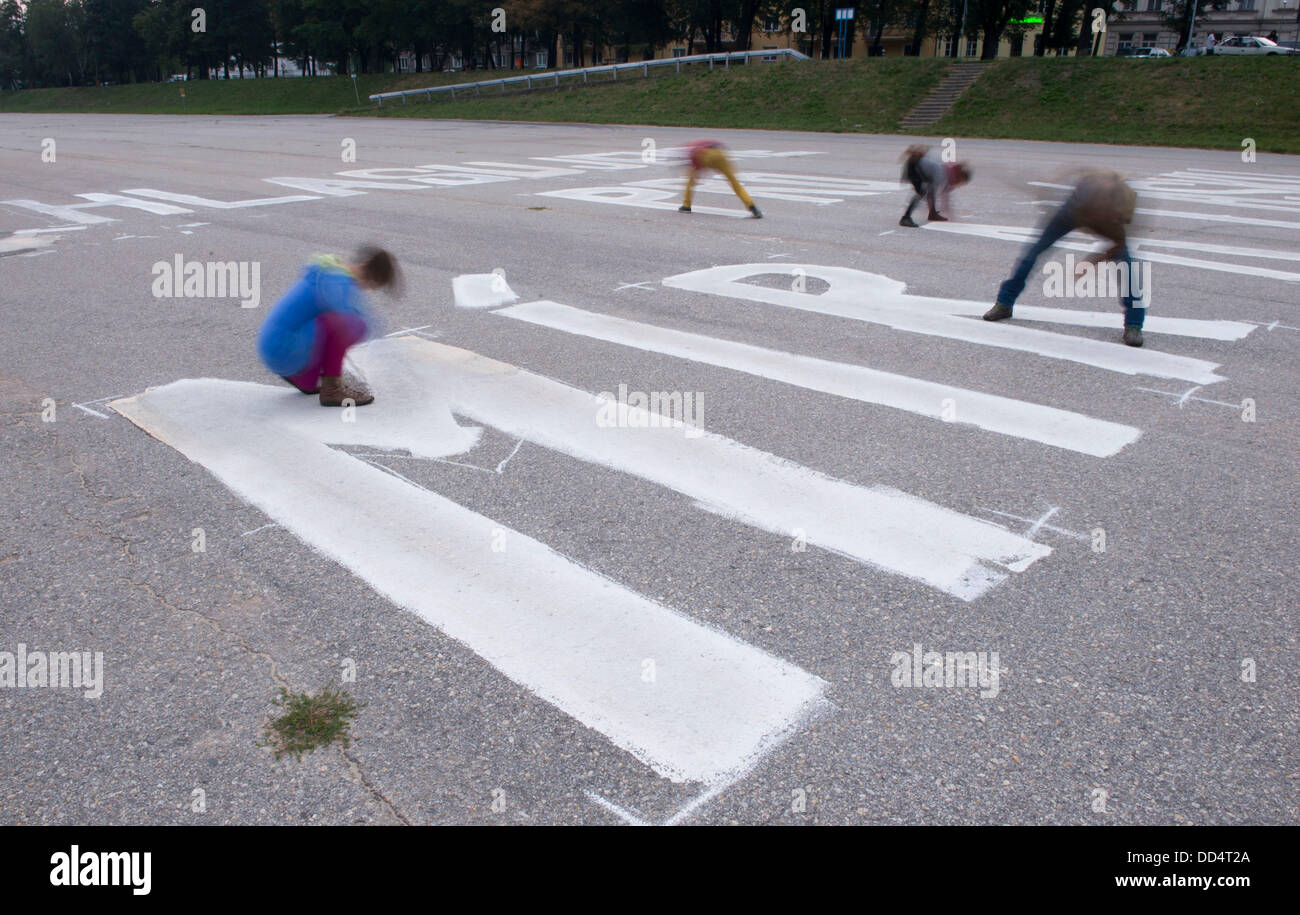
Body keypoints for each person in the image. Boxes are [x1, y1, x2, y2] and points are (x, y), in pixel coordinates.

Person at [982, 171, 1146, 347]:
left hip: (1104, 217)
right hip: (1072, 212)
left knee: (1127, 265)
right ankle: (1004, 303)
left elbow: (1117, 243)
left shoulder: (1122, 207)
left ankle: (1133, 324)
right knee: (1033, 253)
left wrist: (1091, 261)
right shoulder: (1083, 196)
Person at [257, 247, 400, 406]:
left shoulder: (331, 272)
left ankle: (304, 378)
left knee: (341, 322)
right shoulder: (340, 283)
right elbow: (346, 326)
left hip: (273, 347)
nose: (368, 290)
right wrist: (380, 337)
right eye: (373, 286)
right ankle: (332, 390)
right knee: (354, 325)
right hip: (282, 349)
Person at [678, 140, 762, 218]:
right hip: (720, 153)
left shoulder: (689, 151)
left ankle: (686, 205)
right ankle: (752, 207)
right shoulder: (698, 143)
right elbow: (721, 145)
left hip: (704, 155)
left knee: (690, 182)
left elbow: (696, 164)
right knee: (734, 182)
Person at [898, 144, 972, 228]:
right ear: (959, 176)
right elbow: (932, 194)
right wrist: (947, 211)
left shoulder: (948, 174)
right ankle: (905, 218)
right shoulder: (942, 176)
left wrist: (946, 209)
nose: (959, 185)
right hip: (914, 167)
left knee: (925, 191)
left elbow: (944, 194)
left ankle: (932, 214)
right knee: (921, 193)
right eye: (961, 182)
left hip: (919, 167)